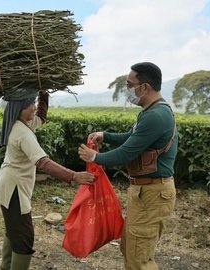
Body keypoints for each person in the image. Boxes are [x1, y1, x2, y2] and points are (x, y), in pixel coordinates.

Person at [78, 62, 178, 270]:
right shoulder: (150, 112)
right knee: (131, 248)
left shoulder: (156, 116)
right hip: (145, 191)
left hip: (152, 194)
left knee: (138, 257)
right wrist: (105, 136)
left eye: (130, 85)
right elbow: (133, 138)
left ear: (145, 87)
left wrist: (95, 157)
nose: (127, 90)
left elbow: (125, 153)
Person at [0, 89, 95, 270]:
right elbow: (43, 163)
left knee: (14, 230)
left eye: (33, 103)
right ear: (19, 108)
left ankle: (6, 267)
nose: (33, 108)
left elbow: (41, 117)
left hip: (10, 185)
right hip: (13, 189)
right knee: (24, 239)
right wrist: (74, 176)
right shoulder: (22, 133)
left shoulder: (21, 123)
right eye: (29, 105)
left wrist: (43, 95)